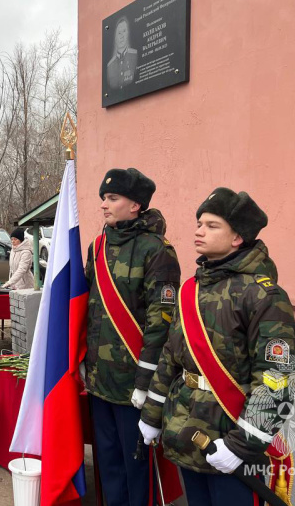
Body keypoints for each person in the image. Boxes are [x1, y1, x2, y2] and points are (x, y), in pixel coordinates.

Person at [139, 188, 295, 506]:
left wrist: (240, 446)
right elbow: (171, 357)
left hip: (231, 440)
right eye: (199, 223)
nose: (199, 231)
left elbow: (277, 381)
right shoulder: (189, 290)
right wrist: (152, 415)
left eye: (212, 225)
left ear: (237, 237)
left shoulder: (264, 296)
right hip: (187, 432)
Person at [84, 168, 180, 506]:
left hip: (134, 386)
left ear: (136, 205)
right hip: (99, 380)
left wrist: (145, 382)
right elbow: (88, 309)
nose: (104, 205)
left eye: (112, 198)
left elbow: (161, 323)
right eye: (103, 199)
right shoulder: (97, 247)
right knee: (108, 464)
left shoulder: (158, 251)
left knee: (136, 466)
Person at [107, 16, 138, 90]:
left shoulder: (135, 56)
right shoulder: (110, 66)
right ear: (115, 37)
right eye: (119, 33)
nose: (122, 36)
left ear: (128, 33)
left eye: (124, 31)